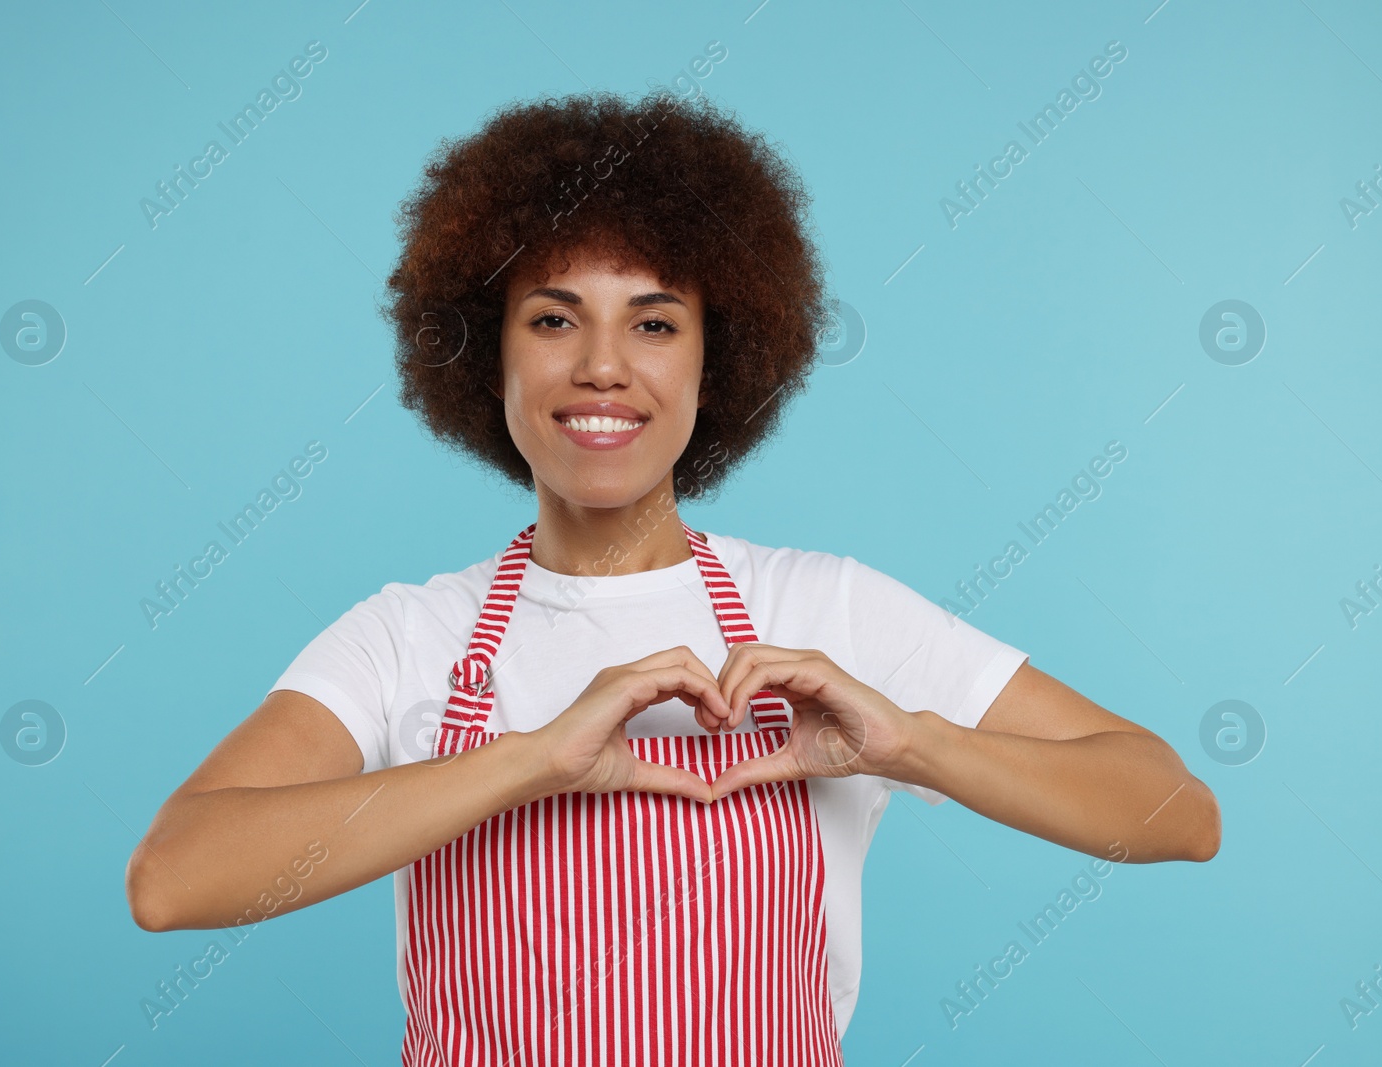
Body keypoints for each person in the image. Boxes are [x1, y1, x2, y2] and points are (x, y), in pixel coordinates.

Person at [125, 88, 1220, 1063]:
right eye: (553, 319)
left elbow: (1175, 808)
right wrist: (530, 760)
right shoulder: (411, 635)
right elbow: (175, 876)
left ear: (720, 357)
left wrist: (911, 740)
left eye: (654, 323)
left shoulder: (822, 607)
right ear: (483, 351)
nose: (602, 365)